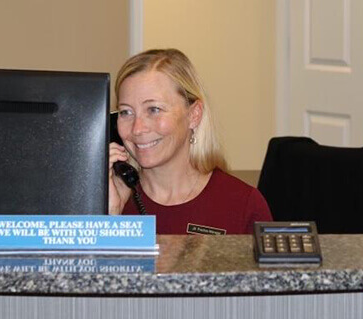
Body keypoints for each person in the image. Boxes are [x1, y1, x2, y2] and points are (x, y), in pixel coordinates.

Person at [109, 48, 272, 234]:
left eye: (154, 109)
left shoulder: (242, 205)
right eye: (126, 112)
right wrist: (111, 217)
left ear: (194, 115)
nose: (137, 128)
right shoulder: (112, 201)